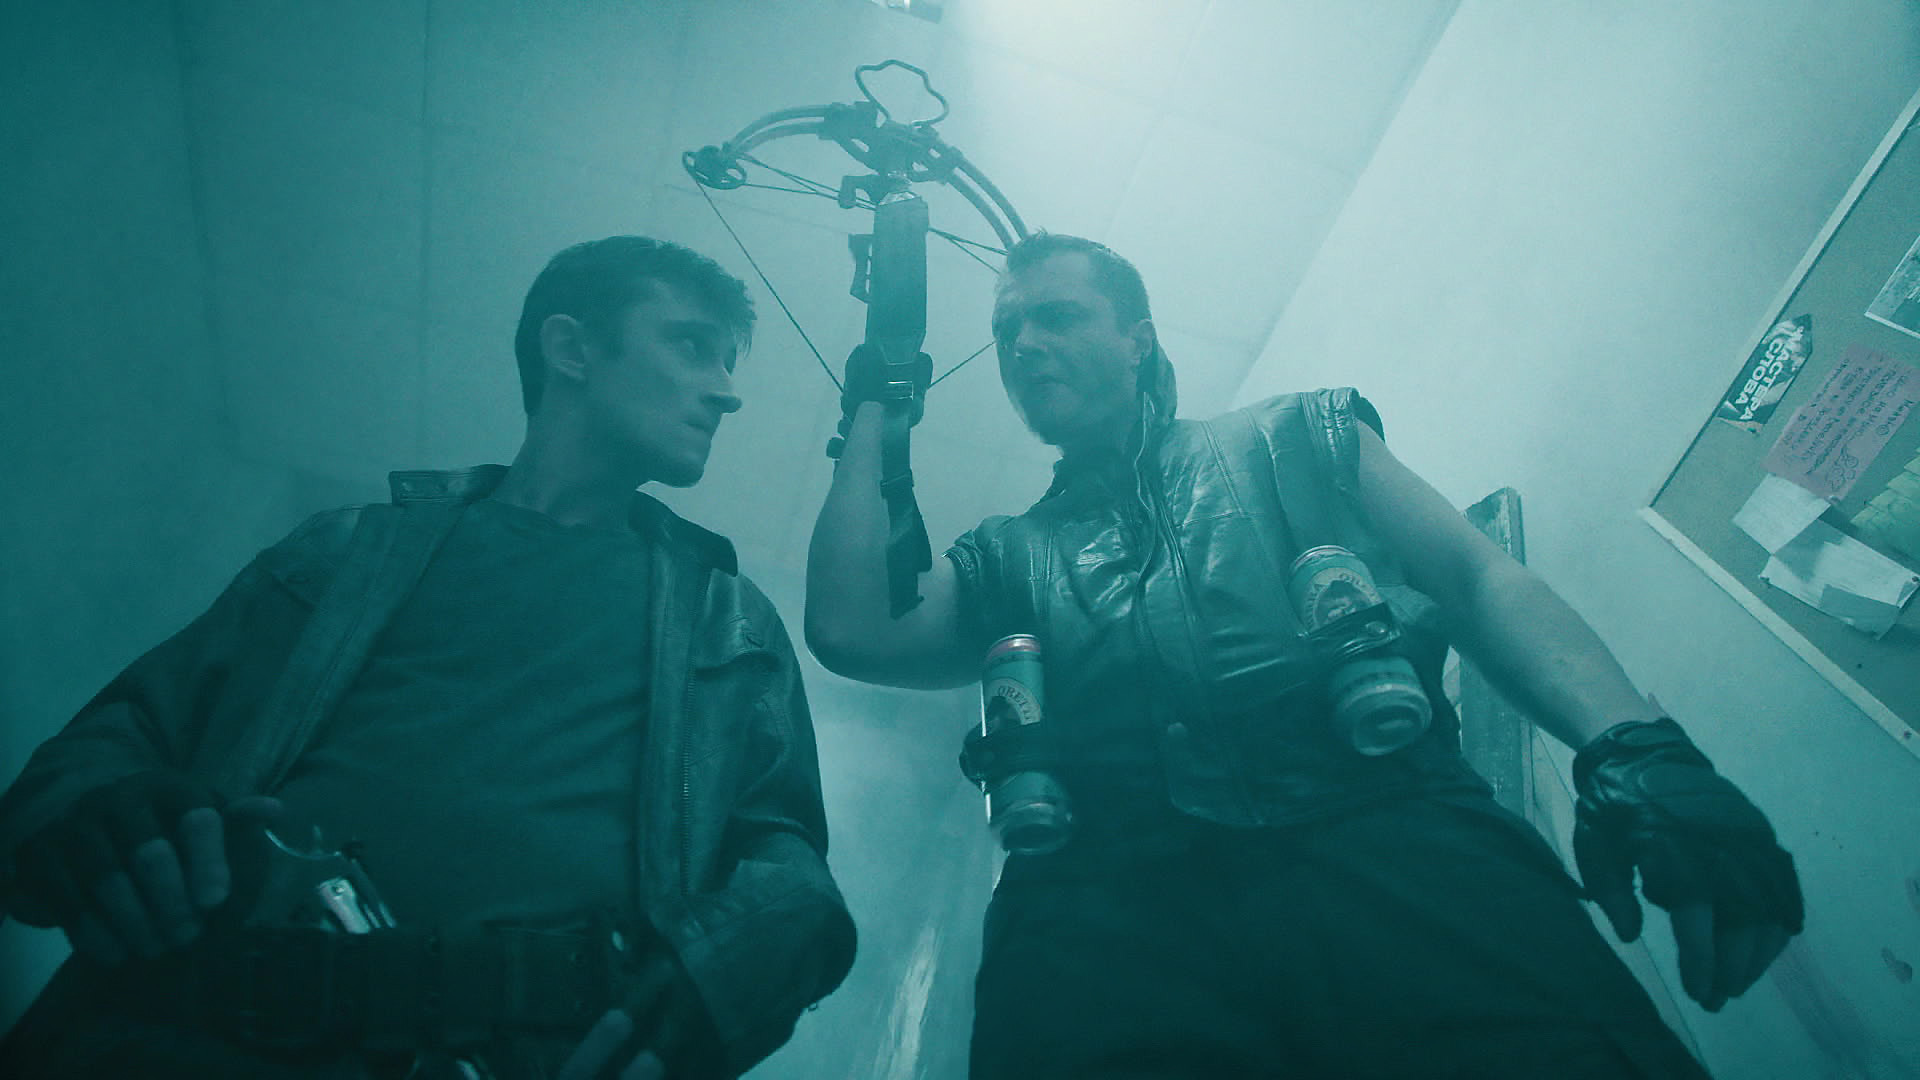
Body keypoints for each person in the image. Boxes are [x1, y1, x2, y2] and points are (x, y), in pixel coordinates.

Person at [805, 232, 1803, 1079]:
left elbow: (1474, 577)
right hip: (1111, 930)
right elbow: (853, 630)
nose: (1024, 344)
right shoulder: (1004, 555)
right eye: (1006, 332)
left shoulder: (1296, 436)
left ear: (1137, 338)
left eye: (1056, 316)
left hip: (1405, 863)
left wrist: (1636, 749)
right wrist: (878, 407)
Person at [0, 236, 856, 1079]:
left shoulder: (727, 619)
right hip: (183, 1036)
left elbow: (790, 867)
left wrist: (725, 967)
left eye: (728, 361)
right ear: (571, 350)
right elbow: (110, 743)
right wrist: (103, 819)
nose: (727, 393)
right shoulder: (345, 550)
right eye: (693, 346)